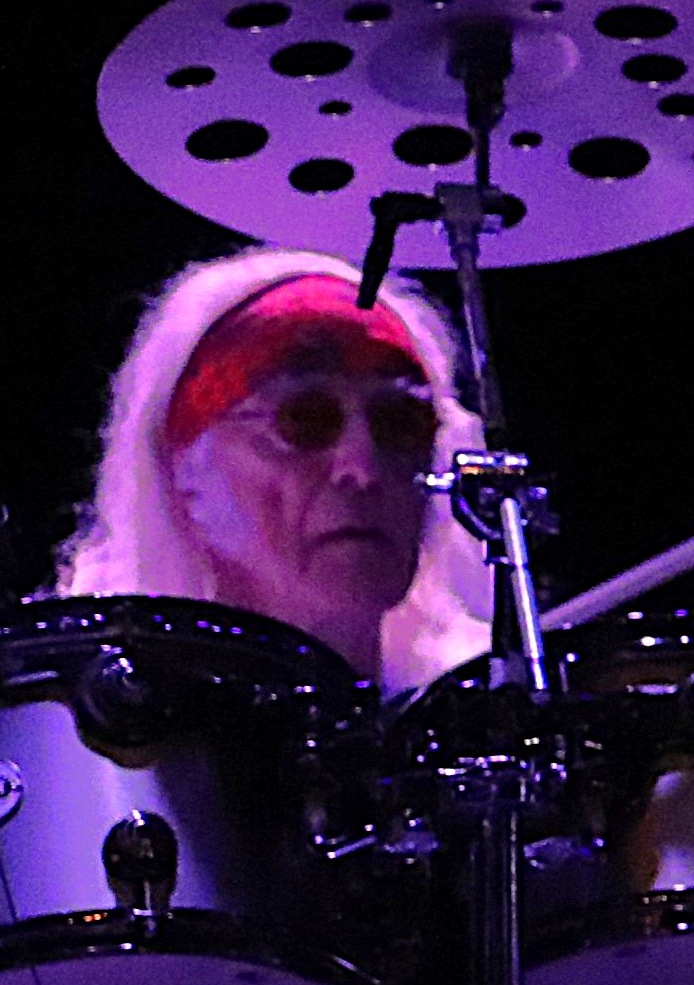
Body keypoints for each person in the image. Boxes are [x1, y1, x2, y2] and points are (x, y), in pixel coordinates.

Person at [58, 247, 491, 690]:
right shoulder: (82, 709)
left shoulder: (485, 703)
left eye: (401, 422)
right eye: (304, 420)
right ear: (182, 467)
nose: (363, 468)